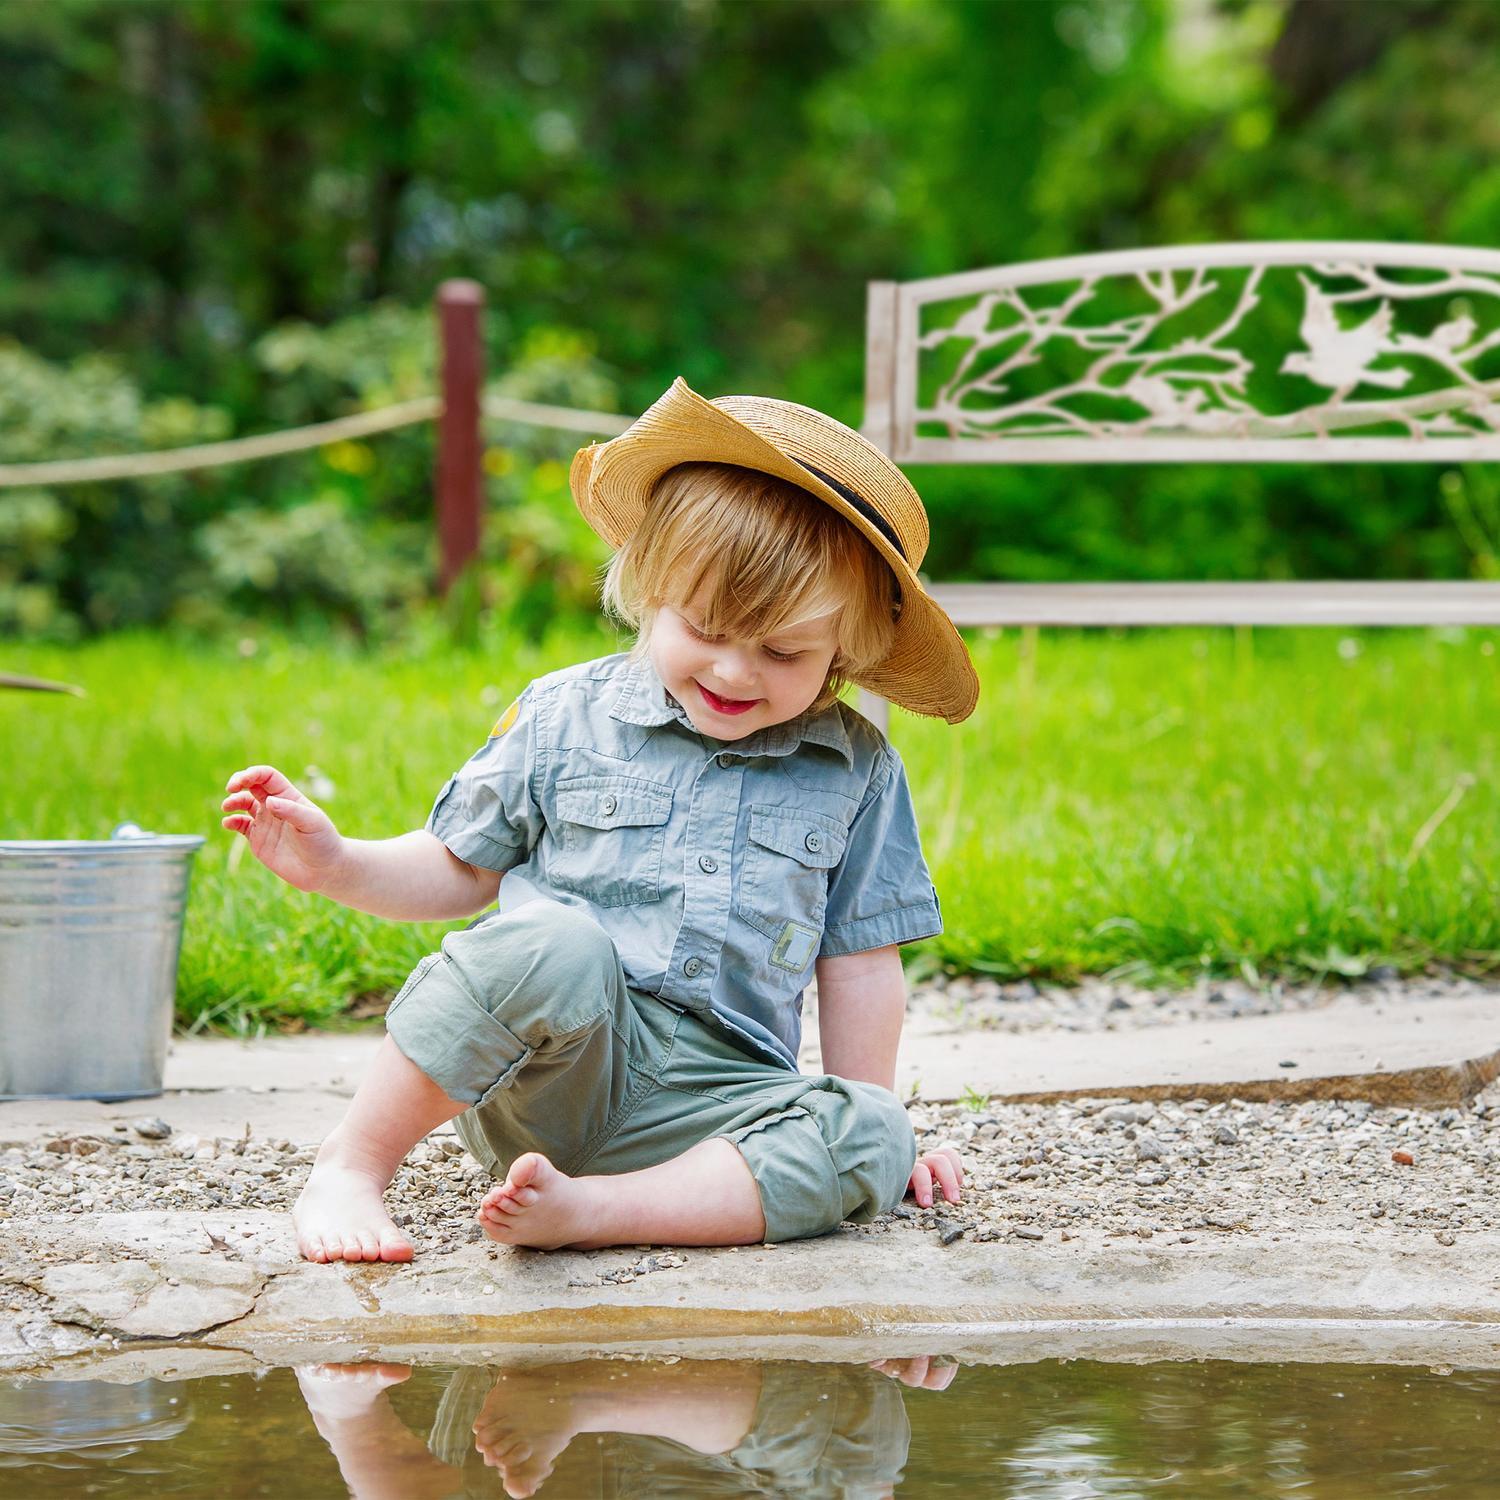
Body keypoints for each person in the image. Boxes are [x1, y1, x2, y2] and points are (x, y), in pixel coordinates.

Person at [220, 376, 979, 1264]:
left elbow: (859, 966)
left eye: (782, 652)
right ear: (649, 588)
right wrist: (337, 864)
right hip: (551, 1076)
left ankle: (591, 1211)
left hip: (720, 1103)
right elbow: (462, 869)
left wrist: (868, 1113)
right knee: (555, 942)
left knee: (874, 1135)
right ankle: (351, 1165)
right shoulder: (563, 717)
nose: (734, 673)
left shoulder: (855, 771)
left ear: (843, 650)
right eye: (704, 628)